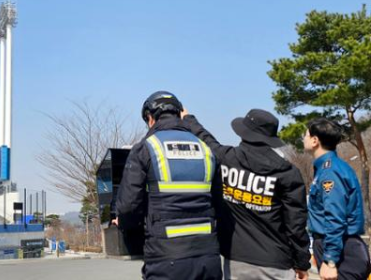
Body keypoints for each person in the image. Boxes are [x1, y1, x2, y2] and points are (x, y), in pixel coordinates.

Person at [182, 108, 310, 280]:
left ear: (244, 133)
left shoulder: (226, 159)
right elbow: (296, 224)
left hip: (236, 260)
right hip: (276, 262)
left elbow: (206, 140)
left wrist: (188, 118)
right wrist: (301, 263)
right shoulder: (288, 173)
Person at [115, 91, 222, 280]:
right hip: (208, 257)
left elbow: (128, 208)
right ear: (179, 113)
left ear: (150, 118)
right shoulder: (206, 149)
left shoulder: (146, 148)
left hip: (166, 258)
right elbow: (219, 202)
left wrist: (123, 224)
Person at [303, 118, 371, 280]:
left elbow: (335, 217)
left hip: (343, 254)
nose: (303, 138)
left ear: (314, 140)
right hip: (338, 248)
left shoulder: (330, 172)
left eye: (305, 135)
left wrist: (330, 260)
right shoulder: (327, 168)